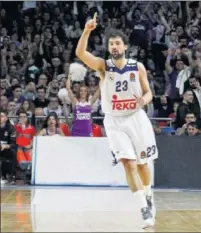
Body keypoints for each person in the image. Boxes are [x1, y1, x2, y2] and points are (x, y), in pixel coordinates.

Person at [76, 13, 157, 228]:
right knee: (128, 163)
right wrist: (87, 31)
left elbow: (149, 93)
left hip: (136, 118)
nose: (114, 46)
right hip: (114, 121)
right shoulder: (103, 66)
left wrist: (143, 100)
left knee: (142, 165)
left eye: (117, 43)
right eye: (111, 44)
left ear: (125, 46)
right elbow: (81, 53)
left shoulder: (137, 67)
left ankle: (149, 195)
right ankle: (143, 208)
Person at [0, 108, 17, 185]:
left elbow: (14, 144)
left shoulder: (11, 128)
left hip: (6, 149)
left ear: (6, 118)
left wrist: (5, 146)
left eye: (2, 116)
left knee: (13, 151)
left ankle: (11, 175)